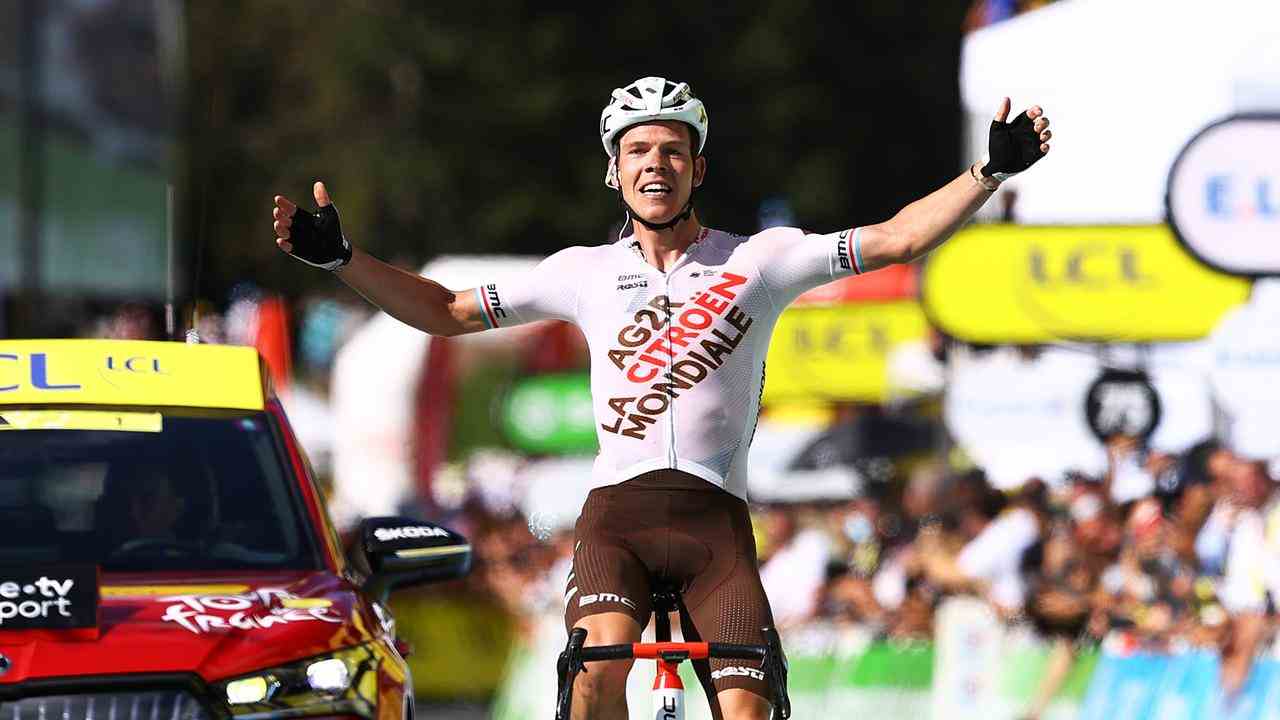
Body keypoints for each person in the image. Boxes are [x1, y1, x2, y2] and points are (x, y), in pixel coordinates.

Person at [271, 76, 1052, 720]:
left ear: (698, 170)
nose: (656, 163)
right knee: (595, 676)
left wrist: (986, 174)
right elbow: (443, 311)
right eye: (638, 149)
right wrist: (343, 258)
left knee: (749, 710)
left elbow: (898, 239)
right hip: (619, 517)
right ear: (614, 170)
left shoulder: (763, 259)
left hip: (717, 525)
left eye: (673, 150)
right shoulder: (579, 271)